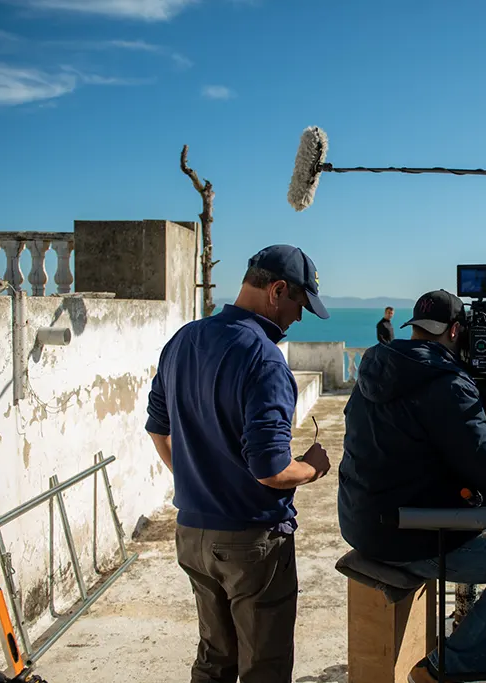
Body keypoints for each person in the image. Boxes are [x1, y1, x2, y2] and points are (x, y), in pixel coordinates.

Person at [337, 289, 486, 683]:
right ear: (456, 331)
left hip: (361, 523)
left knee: (480, 508)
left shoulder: (377, 367)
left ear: (414, 327)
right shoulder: (447, 384)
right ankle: (447, 668)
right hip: (407, 539)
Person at [145, 244, 333, 683]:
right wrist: (312, 466)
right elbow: (270, 469)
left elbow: (158, 429)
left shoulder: (183, 340)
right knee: (262, 668)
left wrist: (198, 480)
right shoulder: (265, 359)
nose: (299, 317)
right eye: (299, 304)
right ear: (278, 290)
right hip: (251, 541)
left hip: (192, 535)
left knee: (214, 659)